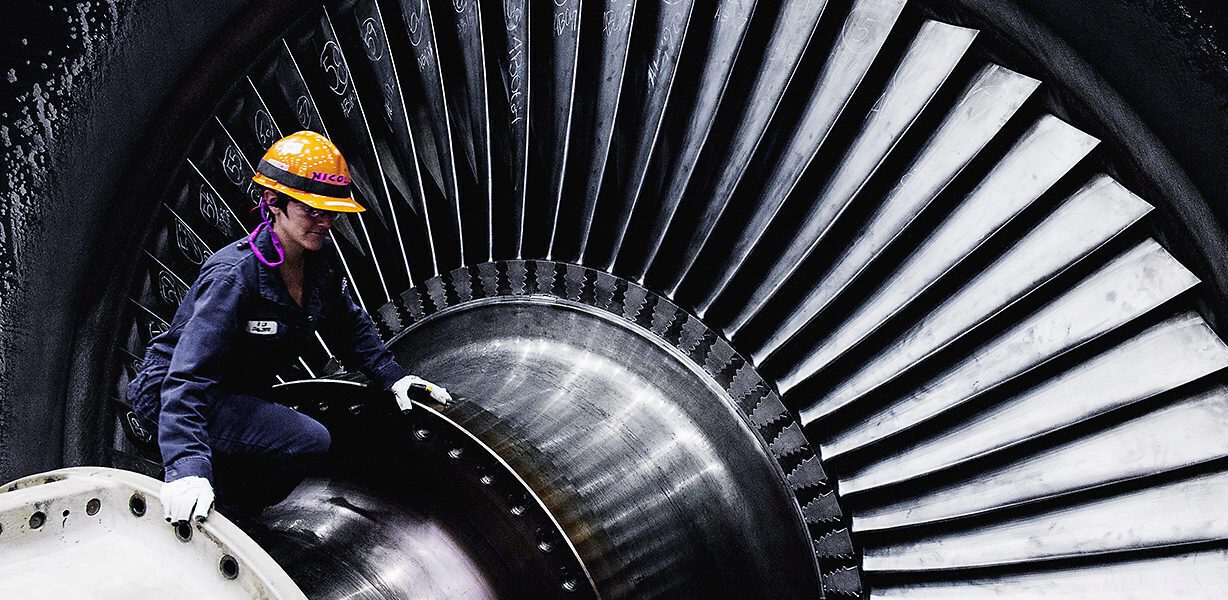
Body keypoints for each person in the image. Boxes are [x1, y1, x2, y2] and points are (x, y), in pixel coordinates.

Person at [127, 130, 449, 526]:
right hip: (176, 398)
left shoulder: (319, 261)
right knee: (305, 440)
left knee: (289, 448)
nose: (325, 222)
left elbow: (348, 323)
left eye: (331, 212)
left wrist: (393, 377)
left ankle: (231, 510)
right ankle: (225, 517)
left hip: (234, 393)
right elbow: (187, 377)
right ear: (273, 203)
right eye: (311, 211)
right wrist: (187, 467)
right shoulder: (233, 278)